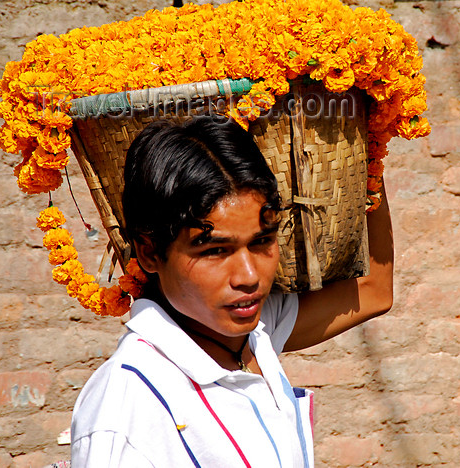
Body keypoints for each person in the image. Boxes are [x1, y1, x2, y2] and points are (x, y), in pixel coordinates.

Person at [70, 115, 393, 467]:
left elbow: (373, 290)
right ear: (149, 252)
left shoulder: (254, 333)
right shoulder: (125, 409)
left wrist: (369, 140)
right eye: (214, 251)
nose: (249, 276)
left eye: (263, 241)